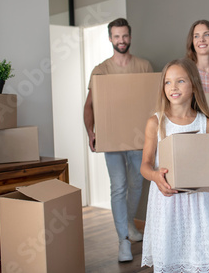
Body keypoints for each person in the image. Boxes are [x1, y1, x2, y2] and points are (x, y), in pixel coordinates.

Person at [140, 58, 209, 273]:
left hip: (196, 205)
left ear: (193, 84)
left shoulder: (206, 124)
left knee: (198, 258)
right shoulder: (156, 123)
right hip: (165, 203)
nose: (173, 87)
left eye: (180, 81)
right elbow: (145, 165)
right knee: (169, 259)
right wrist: (156, 176)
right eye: (167, 82)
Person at [83, 18, 153, 262]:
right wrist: (91, 132)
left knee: (136, 185)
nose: (121, 40)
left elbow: (154, 104)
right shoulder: (100, 70)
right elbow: (89, 106)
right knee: (119, 186)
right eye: (116, 36)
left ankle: (130, 227)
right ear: (110, 38)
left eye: (124, 36)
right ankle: (122, 240)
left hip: (138, 139)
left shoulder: (145, 66)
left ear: (130, 37)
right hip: (112, 140)